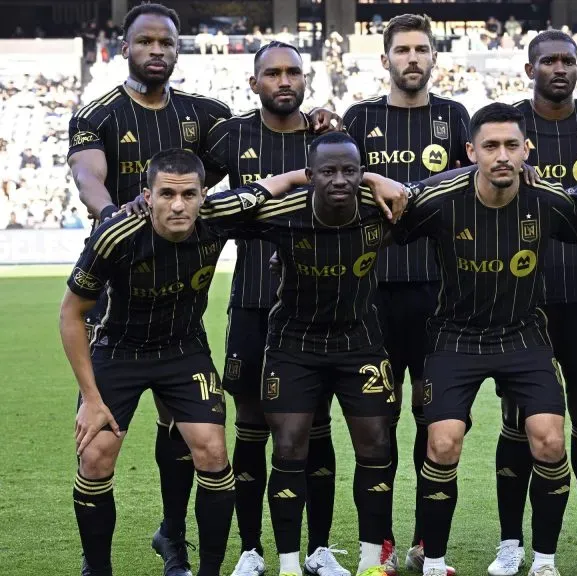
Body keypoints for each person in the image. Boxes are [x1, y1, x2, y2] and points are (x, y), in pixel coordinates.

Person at [368, 102, 577, 576]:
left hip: (523, 334)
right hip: (454, 336)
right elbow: (382, 227)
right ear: (471, 150)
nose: (502, 155)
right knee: (443, 442)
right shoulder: (440, 200)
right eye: (491, 146)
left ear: (526, 151)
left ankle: (542, 559)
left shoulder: (549, 202)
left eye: (512, 146)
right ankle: (432, 559)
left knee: (549, 441)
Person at [66, 5, 232, 573]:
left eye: (166, 41)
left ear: (178, 49)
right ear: (125, 45)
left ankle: (175, 537)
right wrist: (118, 220)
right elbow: (89, 176)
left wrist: (314, 124)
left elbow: (256, 149)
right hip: (119, 306)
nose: (156, 49)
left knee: (196, 440)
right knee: (99, 450)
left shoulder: (204, 114)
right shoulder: (100, 113)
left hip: (180, 316)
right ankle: (99, 566)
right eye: (145, 40)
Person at [202, 131, 407, 576]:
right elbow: (213, 209)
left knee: (376, 444)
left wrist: (385, 183)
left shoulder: (381, 208)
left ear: (362, 174)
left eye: (350, 171)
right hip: (295, 344)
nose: (339, 180)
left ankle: (373, 564)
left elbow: (446, 196)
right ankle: (290, 566)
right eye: (327, 172)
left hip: (360, 342)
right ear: (311, 176)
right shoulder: (284, 212)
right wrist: (287, 179)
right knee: (289, 446)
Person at [60, 149, 264, 576]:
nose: (178, 204)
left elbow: (270, 187)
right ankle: (97, 570)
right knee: (95, 457)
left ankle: (207, 570)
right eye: (167, 193)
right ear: (147, 196)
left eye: (189, 194)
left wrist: (311, 171)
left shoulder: (217, 215)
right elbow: (71, 314)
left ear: (203, 195)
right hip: (118, 351)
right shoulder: (115, 234)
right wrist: (92, 399)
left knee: (211, 451)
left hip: (183, 349)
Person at [488, 30, 577, 576]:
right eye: (548, 61)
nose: (560, 69)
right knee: (520, 421)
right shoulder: (507, 128)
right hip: (521, 302)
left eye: (569, 61)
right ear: (530, 69)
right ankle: (509, 541)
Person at [340, 14, 472, 574]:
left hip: (441, 294)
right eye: (403, 49)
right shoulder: (360, 117)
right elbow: (337, 177)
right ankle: (382, 544)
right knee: (378, 424)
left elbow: (474, 184)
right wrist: (373, 179)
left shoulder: (454, 118)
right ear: (385, 58)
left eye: (422, 49)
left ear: (434, 59)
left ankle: (423, 541)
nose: (412, 58)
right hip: (373, 295)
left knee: (432, 420)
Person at [201, 41, 336, 576]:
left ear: (305, 80)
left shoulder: (328, 137)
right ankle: (252, 549)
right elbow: (196, 201)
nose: (284, 81)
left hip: (318, 310)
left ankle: (320, 548)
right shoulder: (231, 137)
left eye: (293, 72)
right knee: (252, 425)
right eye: (272, 73)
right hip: (254, 304)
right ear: (253, 82)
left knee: (315, 426)